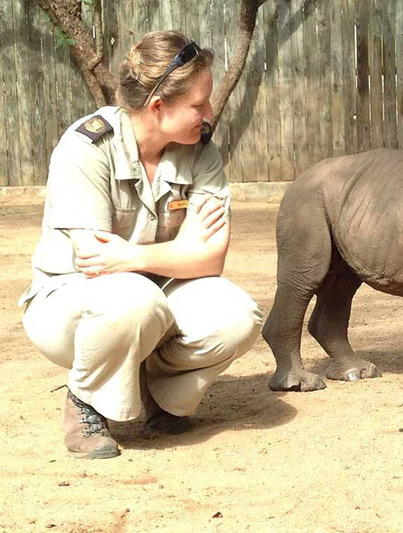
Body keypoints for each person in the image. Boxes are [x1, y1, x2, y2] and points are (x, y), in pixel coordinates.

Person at [19, 31, 263, 459]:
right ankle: (86, 403)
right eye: (198, 104)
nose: (209, 113)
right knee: (133, 298)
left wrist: (132, 255)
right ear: (158, 107)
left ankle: (161, 397)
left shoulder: (200, 152)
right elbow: (95, 264)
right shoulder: (87, 147)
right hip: (69, 308)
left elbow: (211, 259)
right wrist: (180, 252)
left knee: (237, 315)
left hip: (155, 298)